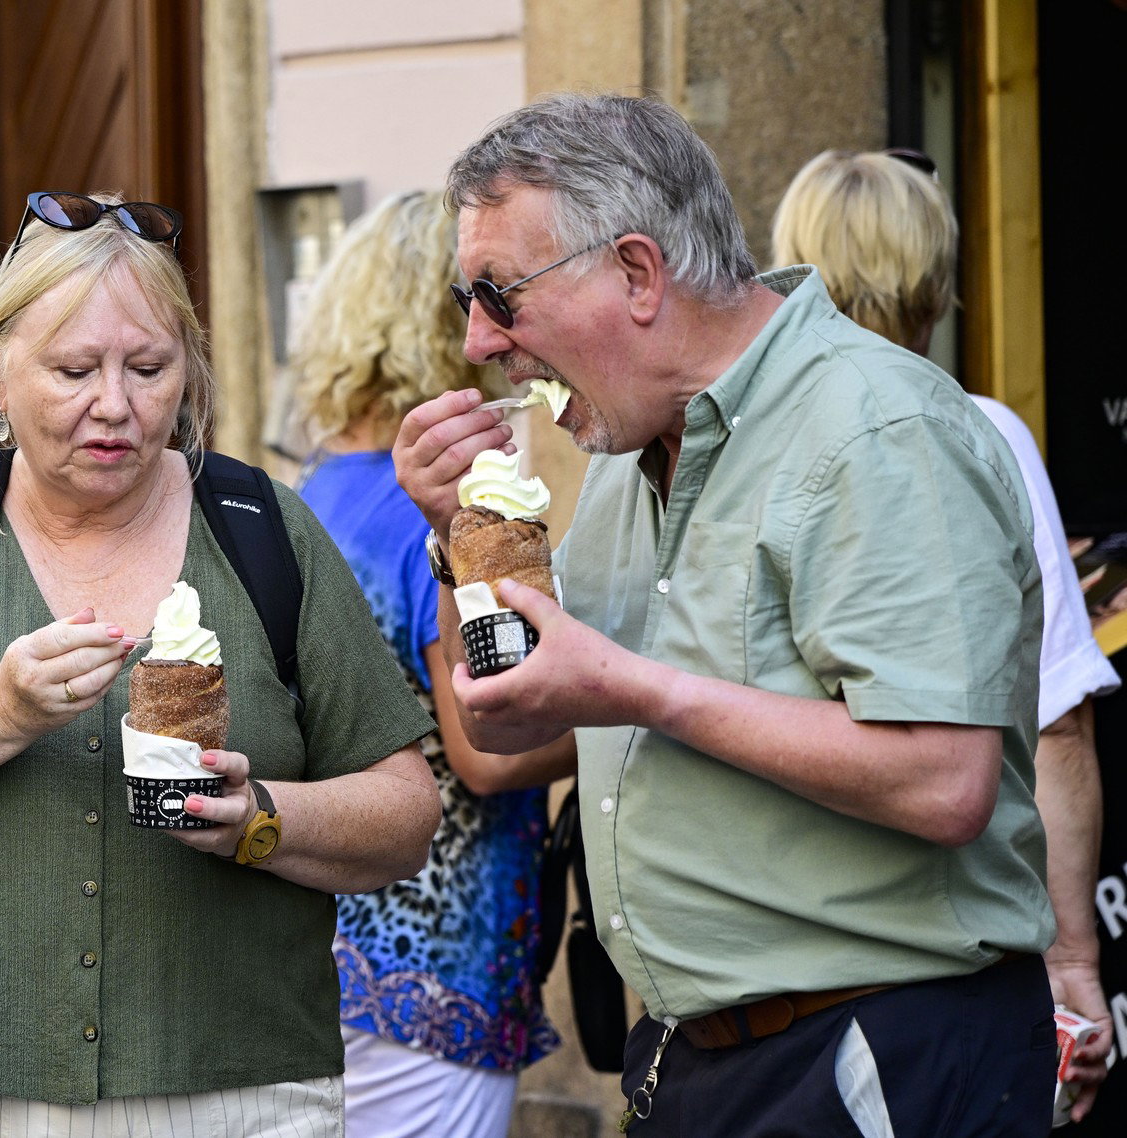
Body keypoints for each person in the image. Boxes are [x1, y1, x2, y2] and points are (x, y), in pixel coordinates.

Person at [393, 92, 1057, 1136]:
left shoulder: (875, 430)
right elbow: (506, 729)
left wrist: (638, 689)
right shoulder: (622, 450)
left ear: (639, 272)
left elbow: (944, 779)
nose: (480, 342)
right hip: (694, 1061)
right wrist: (460, 537)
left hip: (874, 1050)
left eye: (498, 294)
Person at [0, 189, 442, 1137]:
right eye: (73, 369)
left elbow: (405, 814)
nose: (113, 405)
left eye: (148, 367)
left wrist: (262, 819)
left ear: (189, 371)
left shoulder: (264, 531)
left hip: (249, 1100)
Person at [772, 146, 1121, 1122]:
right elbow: (1057, 724)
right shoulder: (982, 433)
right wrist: (1073, 960)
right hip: (948, 979)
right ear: (936, 278)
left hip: (772, 996)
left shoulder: (736, 440)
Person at [289, 190, 562, 1137]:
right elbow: (486, 755)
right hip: (439, 964)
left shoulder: (310, 497)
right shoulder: (439, 520)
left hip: (324, 948)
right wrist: (650, 703)